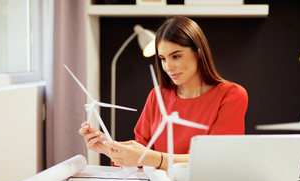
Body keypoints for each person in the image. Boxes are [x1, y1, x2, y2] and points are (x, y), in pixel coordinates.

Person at [79, 16, 248, 170]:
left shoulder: (231, 95)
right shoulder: (157, 96)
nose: (168, 67)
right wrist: (109, 148)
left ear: (198, 52)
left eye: (176, 56)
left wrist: (151, 158)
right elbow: (140, 157)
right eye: (163, 58)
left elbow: (216, 160)